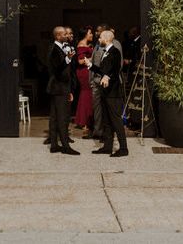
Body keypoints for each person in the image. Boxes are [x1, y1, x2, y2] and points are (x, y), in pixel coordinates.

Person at [85, 29, 128, 157]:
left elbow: (115, 70)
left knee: (116, 120)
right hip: (105, 91)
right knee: (106, 121)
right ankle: (107, 147)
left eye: (100, 38)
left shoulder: (114, 52)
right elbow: (102, 70)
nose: (98, 39)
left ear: (107, 39)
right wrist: (91, 65)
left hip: (113, 92)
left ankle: (124, 148)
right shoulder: (105, 52)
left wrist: (107, 77)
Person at [46, 26, 80, 155]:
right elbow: (56, 68)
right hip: (59, 87)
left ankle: (54, 145)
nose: (67, 36)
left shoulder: (60, 47)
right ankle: (65, 146)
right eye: (64, 34)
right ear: (58, 36)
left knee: (55, 117)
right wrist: (68, 58)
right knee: (62, 117)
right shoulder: (54, 49)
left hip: (61, 87)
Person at [74, 27, 94, 135]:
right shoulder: (81, 45)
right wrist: (94, 57)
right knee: (86, 94)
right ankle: (85, 121)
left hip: (87, 71)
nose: (92, 35)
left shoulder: (86, 45)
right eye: (90, 33)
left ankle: (85, 120)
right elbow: (81, 61)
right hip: (84, 72)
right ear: (85, 34)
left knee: (87, 94)